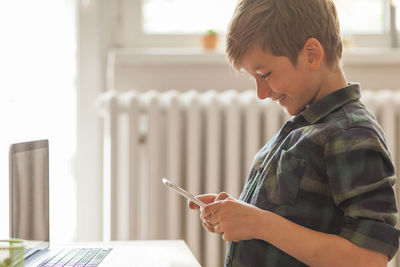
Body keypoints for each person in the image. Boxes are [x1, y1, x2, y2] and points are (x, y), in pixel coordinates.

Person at [188, 0, 400, 266]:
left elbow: (368, 259)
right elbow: (292, 219)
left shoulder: (351, 134)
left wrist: (261, 224)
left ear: (311, 54)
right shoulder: (306, 126)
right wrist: (241, 216)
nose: (261, 93)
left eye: (264, 74)